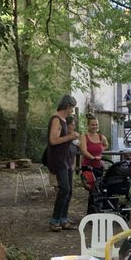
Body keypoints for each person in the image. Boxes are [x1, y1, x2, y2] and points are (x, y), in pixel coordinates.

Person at [46, 94, 79, 232]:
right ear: (67, 106)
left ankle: (64, 219)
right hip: (58, 160)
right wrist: (70, 136)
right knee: (64, 189)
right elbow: (53, 140)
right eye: (72, 108)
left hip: (66, 160)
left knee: (69, 190)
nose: (72, 111)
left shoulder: (64, 120)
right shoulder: (56, 119)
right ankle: (55, 220)